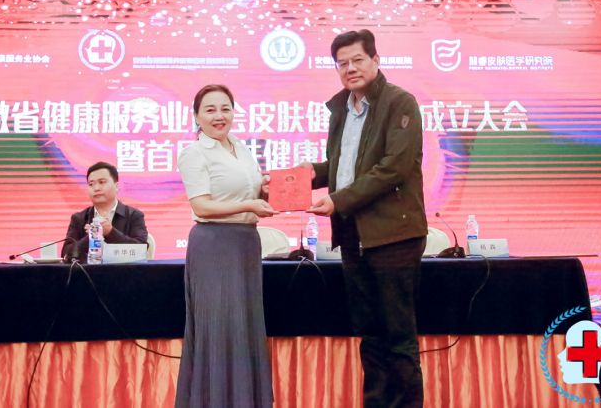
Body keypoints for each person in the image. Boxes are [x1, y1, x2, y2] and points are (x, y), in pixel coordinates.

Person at [305, 29, 428, 408]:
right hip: (354, 235)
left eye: (357, 59)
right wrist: (300, 177)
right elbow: (342, 166)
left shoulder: (399, 102)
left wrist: (337, 200)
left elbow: (393, 167)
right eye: (342, 63)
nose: (350, 68)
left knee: (398, 336)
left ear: (375, 60)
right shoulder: (342, 109)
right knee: (370, 335)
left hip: (394, 235)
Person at [175, 84, 277, 408]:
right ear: (197, 116)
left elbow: (250, 195)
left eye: (225, 108)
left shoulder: (241, 148)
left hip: (246, 244)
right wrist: (248, 203)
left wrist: (266, 191)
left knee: (244, 327)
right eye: (210, 109)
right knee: (218, 329)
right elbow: (202, 206)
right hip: (214, 246)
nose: (219, 116)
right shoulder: (194, 153)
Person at [61, 161, 148, 262]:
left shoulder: (134, 215)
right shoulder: (79, 218)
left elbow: (141, 250)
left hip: (124, 271)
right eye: (91, 184)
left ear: (116, 186)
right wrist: (92, 236)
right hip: (87, 271)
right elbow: (66, 254)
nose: (96, 188)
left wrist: (110, 232)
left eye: (102, 182)